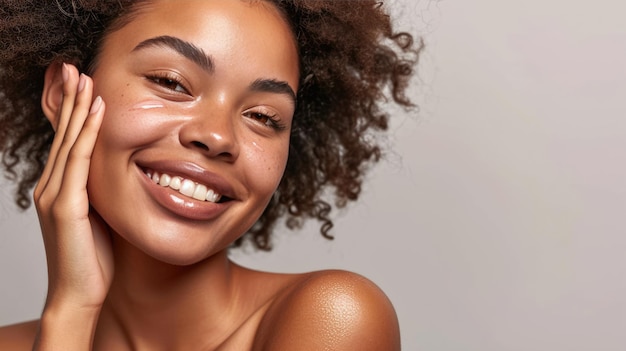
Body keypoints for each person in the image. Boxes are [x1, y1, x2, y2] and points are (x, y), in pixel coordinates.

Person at [0, 0, 419, 349]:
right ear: (63, 93)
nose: (218, 136)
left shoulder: (332, 318)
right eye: (172, 82)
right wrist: (71, 311)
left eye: (262, 116)